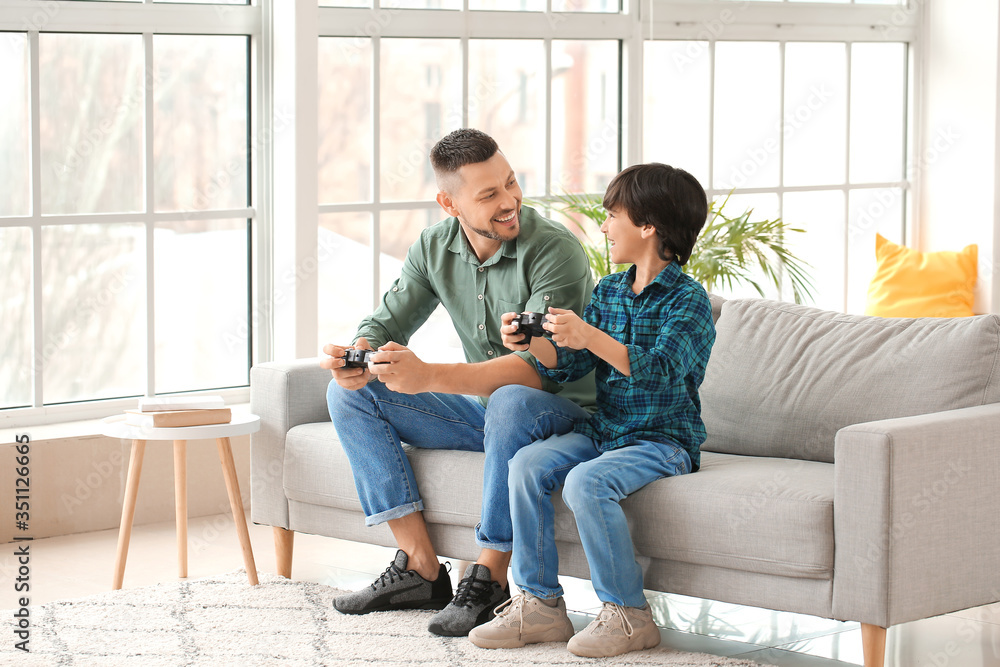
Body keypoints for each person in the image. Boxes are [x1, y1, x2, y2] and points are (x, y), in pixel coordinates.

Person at [321, 128, 596, 637]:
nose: (510, 201)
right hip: (494, 417)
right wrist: (359, 355)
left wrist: (428, 376)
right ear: (449, 203)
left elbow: (538, 369)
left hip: (568, 417)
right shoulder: (434, 246)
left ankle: (489, 577)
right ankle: (419, 567)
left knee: (513, 398)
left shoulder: (556, 250)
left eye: (511, 183)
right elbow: (385, 323)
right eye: (489, 194)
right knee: (349, 392)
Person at [469, 163, 716, 658]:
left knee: (587, 482)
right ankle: (539, 606)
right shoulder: (609, 291)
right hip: (607, 430)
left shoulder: (689, 302)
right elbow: (569, 367)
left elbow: (659, 370)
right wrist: (536, 342)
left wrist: (590, 334)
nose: (603, 226)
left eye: (612, 215)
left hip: (662, 440)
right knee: (526, 465)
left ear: (648, 225)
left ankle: (629, 615)